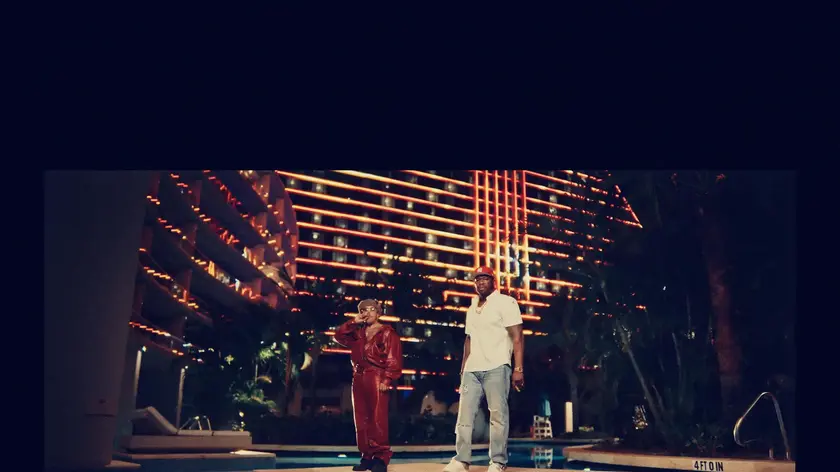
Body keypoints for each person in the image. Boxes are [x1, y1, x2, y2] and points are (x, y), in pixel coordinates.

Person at [444, 266, 524, 472]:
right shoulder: (472, 307)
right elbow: (469, 339)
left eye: (485, 278)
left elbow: (517, 336)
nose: (480, 282)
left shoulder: (506, 302)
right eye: (477, 279)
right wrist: (463, 369)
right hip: (472, 369)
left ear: (493, 281)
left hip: (497, 366)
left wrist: (518, 368)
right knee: (464, 416)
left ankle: (498, 462)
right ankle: (461, 460)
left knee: (498, 416)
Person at [334, 299, 403, 472]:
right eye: (363, 310)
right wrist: (353, 322)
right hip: (358, 376)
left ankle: (381, 458)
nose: (368, 312)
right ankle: (366, 457)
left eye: (372, 309)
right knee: (361, 419)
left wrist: (387, 379)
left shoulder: (387, 332)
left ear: (378, 312)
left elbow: (393, 357)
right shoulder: (357, 333)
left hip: (376, 375)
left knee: (377, 418)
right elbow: (338, 336)